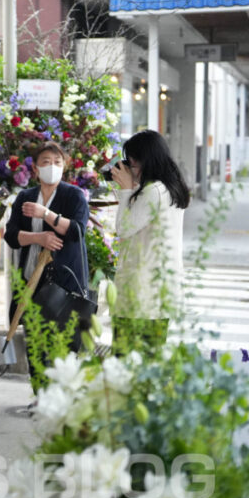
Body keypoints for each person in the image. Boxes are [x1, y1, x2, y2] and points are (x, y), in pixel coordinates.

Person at [4, 141, 91, 382]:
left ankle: (60, 396)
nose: (52, 167)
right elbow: (11, 235)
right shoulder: (26, 197)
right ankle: (39, 395)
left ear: (64, 167)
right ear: (35, 169)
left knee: (61, 343)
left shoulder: (74, 195)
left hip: (62, 285)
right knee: (35, 343)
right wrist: (38, 237)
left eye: (57, 163)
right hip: (31, 281)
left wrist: (45, 214)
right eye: (46, 162)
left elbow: (76, 231)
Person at [109, 129, 190, 356]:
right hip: (158, 292)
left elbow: (123, 228)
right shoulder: (168, 187)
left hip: (140, 294)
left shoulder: (153, 192)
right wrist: (130, 188)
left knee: (127, 364)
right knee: (149, 363)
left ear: (146, 162)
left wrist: (126, 189)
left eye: (132, 164)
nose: (129, 169)